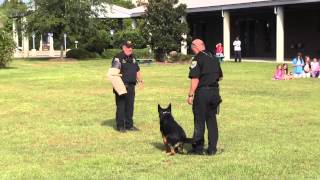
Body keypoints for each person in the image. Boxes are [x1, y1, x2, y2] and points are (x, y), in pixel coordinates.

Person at [187, 39, 223, 156]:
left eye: (192, 47)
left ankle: (198, 148)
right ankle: (212, 148)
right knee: (212, 120)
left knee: (199, 120)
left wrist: (191, 94)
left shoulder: (197, 59)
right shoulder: (213, 57)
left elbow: (195, 79)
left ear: (195, 46)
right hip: (215, 92)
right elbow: (220, 77)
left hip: (203, 92)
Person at [110, 40, 144, 133]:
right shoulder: (118, 58)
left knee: (130, 106)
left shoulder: (133, 58)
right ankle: (120, 126)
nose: (130, 49)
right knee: (121, 106)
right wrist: (119, 86)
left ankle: (129, 125)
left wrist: (140, 80)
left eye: (131, 47)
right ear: (123, 47)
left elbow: (137, 70)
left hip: (131, 86)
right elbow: (113, 73)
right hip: (121, 86)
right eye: (128, 47)